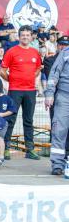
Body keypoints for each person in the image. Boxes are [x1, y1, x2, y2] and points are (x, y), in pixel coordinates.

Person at [0, 25, 43, 160]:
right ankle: (5, 148)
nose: (25, 37)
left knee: (28, 120)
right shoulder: (11, 51)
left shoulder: (35, 52)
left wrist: (31, 78)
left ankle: (30, 150)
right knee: (10, 119)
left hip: (30, 91)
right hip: (15, 91)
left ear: (31, 37)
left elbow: (38, 69)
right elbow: (1, 70)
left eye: (27, 35)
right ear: (19, 36)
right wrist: (11, 79)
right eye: (23, 35)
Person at [45, 35, 69, 175]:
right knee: (59, 130)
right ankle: (57, 165)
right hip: (64, 97)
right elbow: (54, 74)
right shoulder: (65, 54)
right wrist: (49, 94)